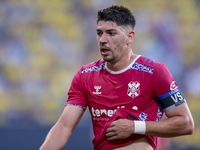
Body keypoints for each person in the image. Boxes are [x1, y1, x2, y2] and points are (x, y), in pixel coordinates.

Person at [39, 5, 194, 150]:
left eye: (111, 33)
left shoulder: (154, 71)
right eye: (99, 33)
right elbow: (64, 127)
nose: (102, 39)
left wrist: (135, 127)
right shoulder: (85, 75)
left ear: (129, 37)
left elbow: (186, 123)